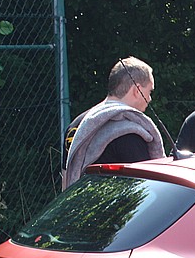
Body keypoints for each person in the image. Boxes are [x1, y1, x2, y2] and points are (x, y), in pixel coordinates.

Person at [62, 57, 165, 189]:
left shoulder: (76, 127)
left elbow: (66, 181)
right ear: (137, 90)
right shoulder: (130, 133)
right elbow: (146, 188)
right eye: (149, 92)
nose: (149, 99)